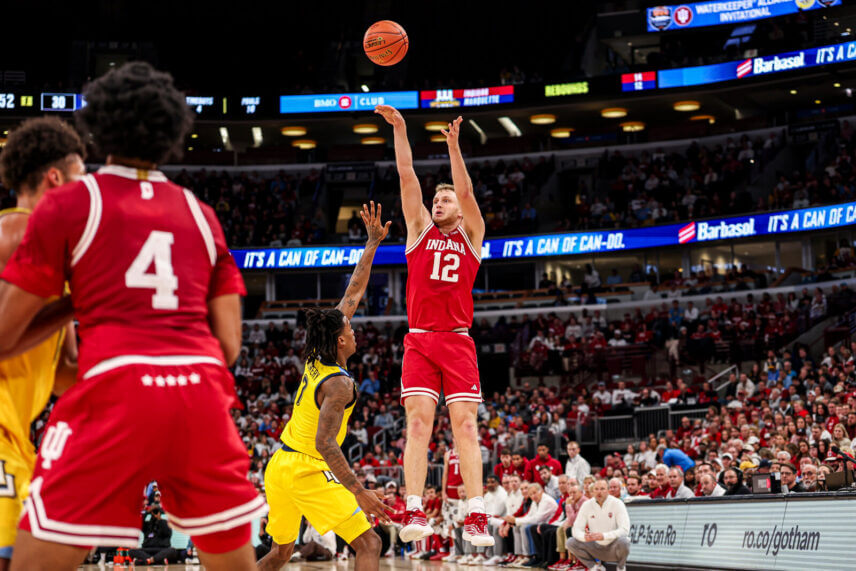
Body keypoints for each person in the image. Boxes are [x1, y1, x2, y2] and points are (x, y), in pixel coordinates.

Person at [0, 62, 267, 571]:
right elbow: (229, 344)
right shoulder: (200, 212)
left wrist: (76, 302)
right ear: (172, 133)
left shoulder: (71, 204)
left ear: (98, 128)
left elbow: (4, 336)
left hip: (115, 391)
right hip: (201, 395)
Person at [376, 105, 492, 546]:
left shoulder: (472, 234)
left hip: (459, 342)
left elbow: (464, 189)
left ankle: (476, 514)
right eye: (436, 199)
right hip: (421, 341)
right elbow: (406, 174)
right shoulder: (420, 229)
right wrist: (402, 130)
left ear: (458, 210)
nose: (439, 202)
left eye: (444, 200)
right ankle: (415, 509)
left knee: (465, 426)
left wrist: (453, 145)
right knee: (419, 425)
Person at [259, 202, 393, 571]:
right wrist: (359, 490)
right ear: (339, 341)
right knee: (370, 542)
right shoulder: (339, 384)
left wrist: (372, 245)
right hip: (306, 467)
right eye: (349, 329)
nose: (354, 330)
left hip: (279, 464)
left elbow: (352, 294)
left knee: (281, 553)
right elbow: (324, 443)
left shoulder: (317, 359)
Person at [0, 117, 85, 571]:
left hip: (17, 437)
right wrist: (79, 301)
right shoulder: (17, 232)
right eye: (80, 176)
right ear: (56, 177)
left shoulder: (57, 257)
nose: (85, 188)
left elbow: (62, 378)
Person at [567, 479, 630, 571]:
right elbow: (575, 529)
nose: (599, 492)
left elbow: (625, 530)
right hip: (595, 545)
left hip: (613, 546)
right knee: (570, 542)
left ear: (608, 491)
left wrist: (603, 536)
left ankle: (621, 567)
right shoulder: (587, 505)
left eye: (602, 489)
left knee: (624, 541)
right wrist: (584, 537)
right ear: (592, 491)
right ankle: (595, 567)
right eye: (596, 489)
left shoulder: (617, 503)